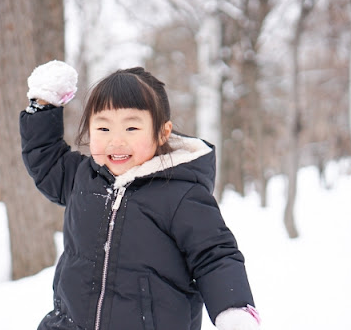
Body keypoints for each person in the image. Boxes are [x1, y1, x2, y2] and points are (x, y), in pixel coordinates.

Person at [20, 61, 261, 330]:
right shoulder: (82, 177)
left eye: (131, 128)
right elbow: (45, 158)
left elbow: (214, 255)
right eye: (103, 128)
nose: (116, 141)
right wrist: (43, 105)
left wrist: (232, 308)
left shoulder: (181, 194)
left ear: (162, 132)